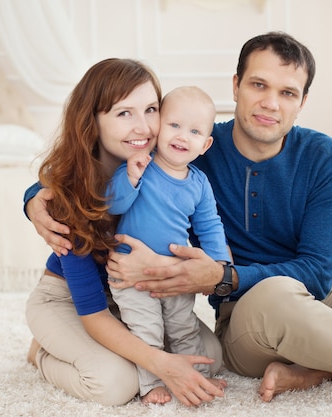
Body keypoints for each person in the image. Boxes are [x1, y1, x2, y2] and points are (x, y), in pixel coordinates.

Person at [25, 32, 332, 402]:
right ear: (236, 87)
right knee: (274, 294)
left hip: (322, 292)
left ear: (302, 101)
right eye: (258, 85)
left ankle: (320, 368)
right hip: (253, 309)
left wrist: (220, 273)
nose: (271, 103)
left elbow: (318, 270)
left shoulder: (326, 157)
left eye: (288, 92)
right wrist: (34, 197)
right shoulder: (189, 151)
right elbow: (93, 167)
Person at [24, 58, 227, 407]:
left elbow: (207, 222)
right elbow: (91, 310)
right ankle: (41, 352)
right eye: (124, 113)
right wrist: (160, 363)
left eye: (150, 109)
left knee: (210, 354)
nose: (144, 127)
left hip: (136, 295)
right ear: (92, 121)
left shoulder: (170, 159)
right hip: (72, 301)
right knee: (116, 383)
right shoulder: (70, 193)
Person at [106, 86, 231, 404]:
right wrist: (130, 179)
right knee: (146, 329)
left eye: (193, 131)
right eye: (174, 125)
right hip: (131, 274)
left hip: (176, 277)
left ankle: (196, 376)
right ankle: (150, 385)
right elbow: (113, 205)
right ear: (159, 127)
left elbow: (210, 226)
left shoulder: (199, 184)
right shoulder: (140, 166)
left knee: (183, 327)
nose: (182, 136)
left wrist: (216, 264)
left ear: (205, 144)